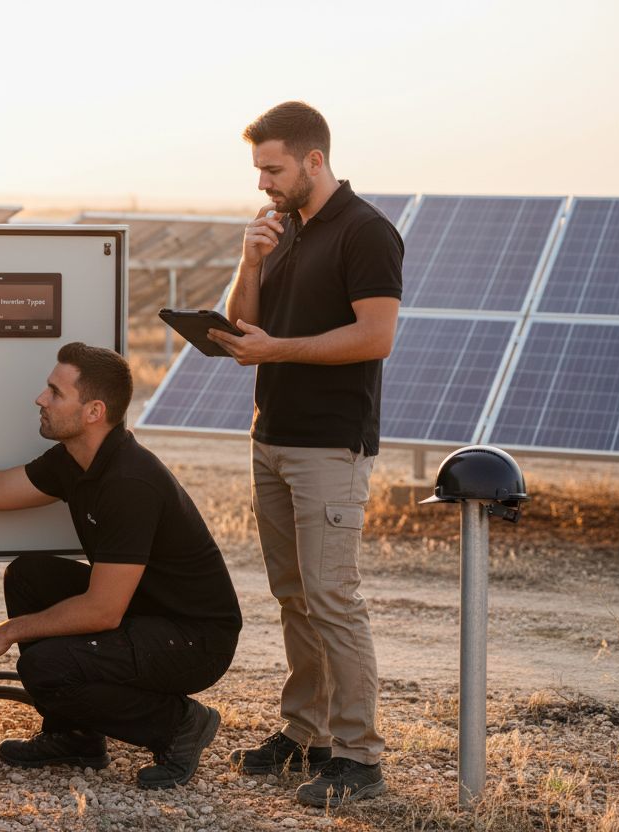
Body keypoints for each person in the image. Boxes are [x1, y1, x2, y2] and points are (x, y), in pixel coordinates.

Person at [0, 342, 242, 790]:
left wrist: (7, 631)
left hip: (193, 639)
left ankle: (180, 724)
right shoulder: (76, 460)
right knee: (29, 576)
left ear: (93, 411)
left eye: (55, 392)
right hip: (147, 612)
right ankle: (76, 735)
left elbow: (103, 611)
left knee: (45, 667)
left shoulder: (129, 482)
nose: (40, 399)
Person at [206, 101, 402, 808]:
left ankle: (359, 759)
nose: (262, 182)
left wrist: (277, 350)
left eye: (273, 169)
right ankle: (307, 734)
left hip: (329, 445)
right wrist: (248, 258)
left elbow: (375, 337)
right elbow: (241, 327)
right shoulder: (282, 229)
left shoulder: (368, 232)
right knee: (294, 598)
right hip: (272, 437)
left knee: (332, 600)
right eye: (258, 169)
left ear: (313, 161)